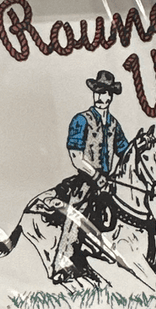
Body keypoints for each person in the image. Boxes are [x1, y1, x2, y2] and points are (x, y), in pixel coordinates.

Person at [51, 69, 130, 282]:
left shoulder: (114, 124)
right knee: (76, 213)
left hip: (108, 181)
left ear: (111, 96)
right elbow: (76, 157)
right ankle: (62, 264)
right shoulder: (81, 120)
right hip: (86, 178)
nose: (101, 97)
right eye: (98, 92)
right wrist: (96, 176)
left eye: (105, 93)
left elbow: (125, 153)